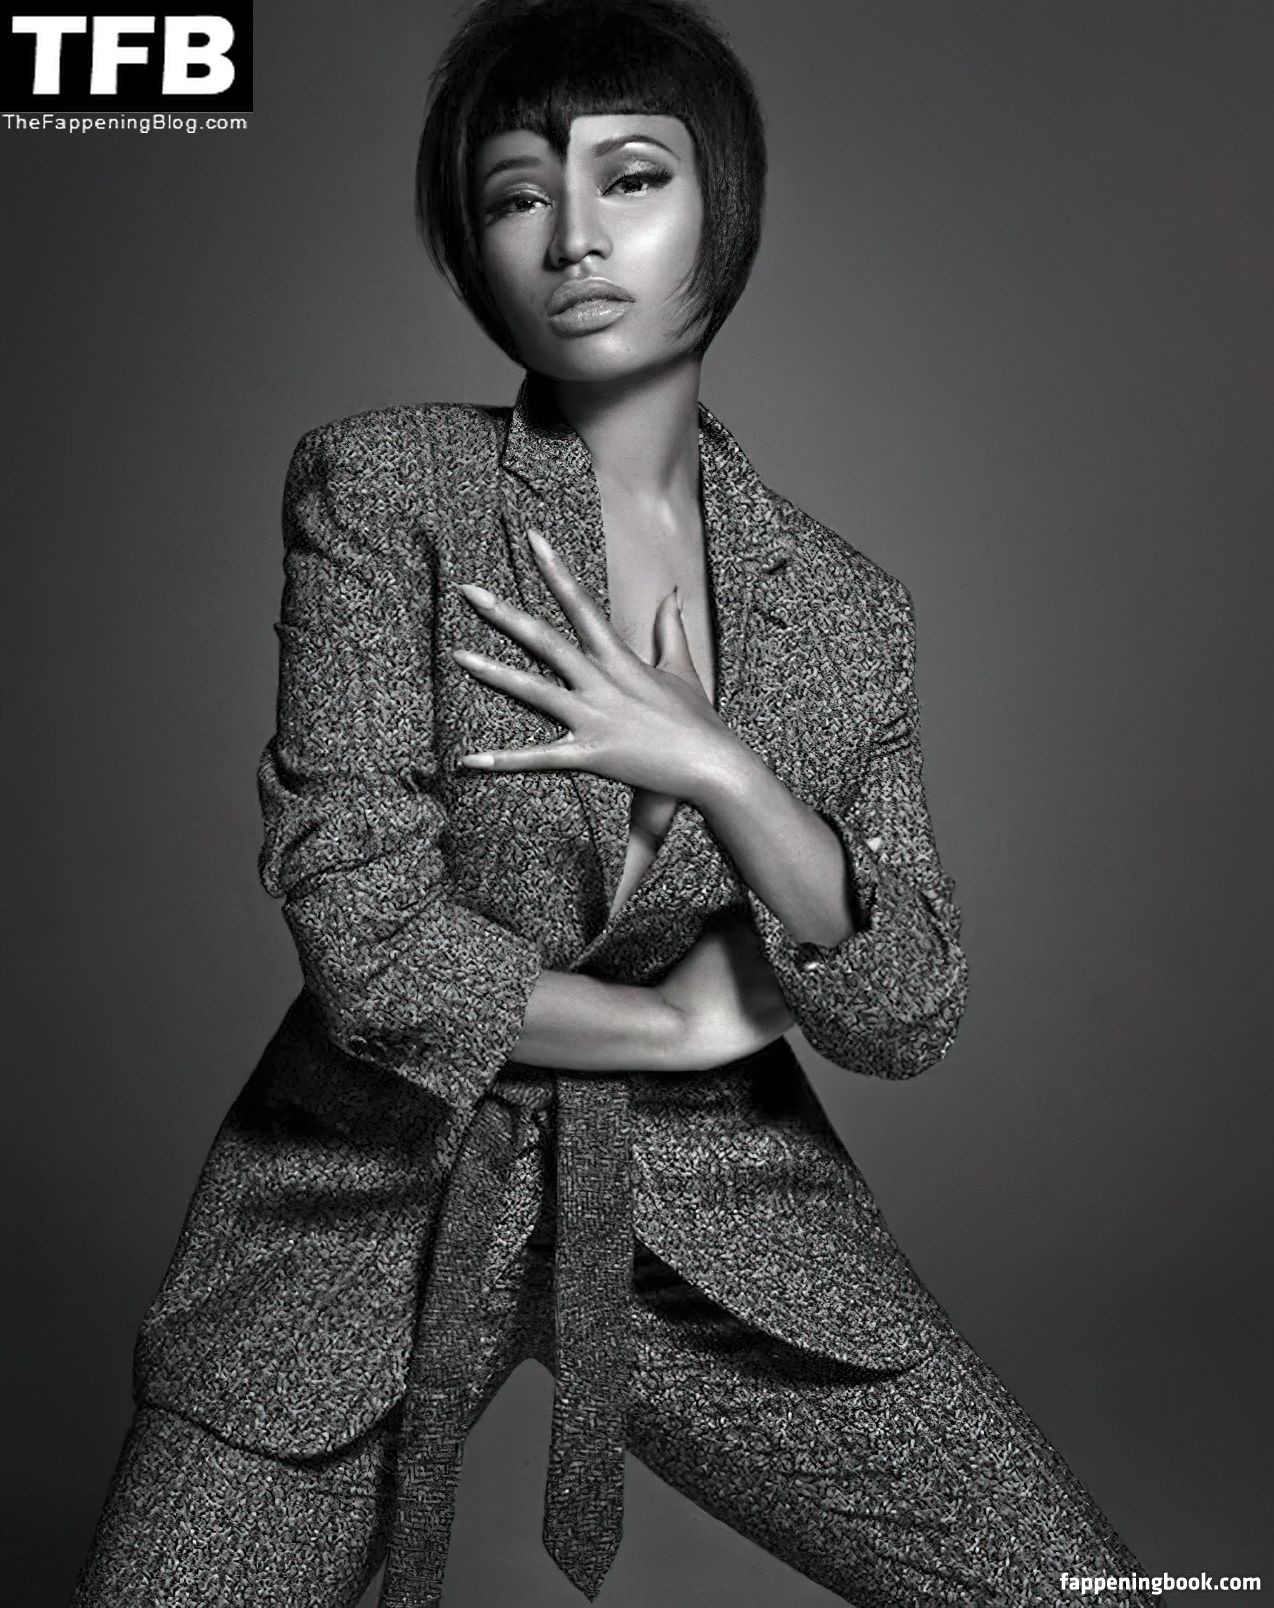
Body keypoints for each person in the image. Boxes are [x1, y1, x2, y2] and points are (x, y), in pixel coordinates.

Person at [72, 2, 1154, 1604]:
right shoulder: (390, 490)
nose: (573, 236)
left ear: (723, 206)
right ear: (474, 246)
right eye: (517, 195)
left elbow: (907, 1003)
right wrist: (679, 1027)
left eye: (632, 178)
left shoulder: (843, 610)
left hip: (713, 1207)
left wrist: (720, 768)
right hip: (363, 1204)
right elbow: (368, 941)